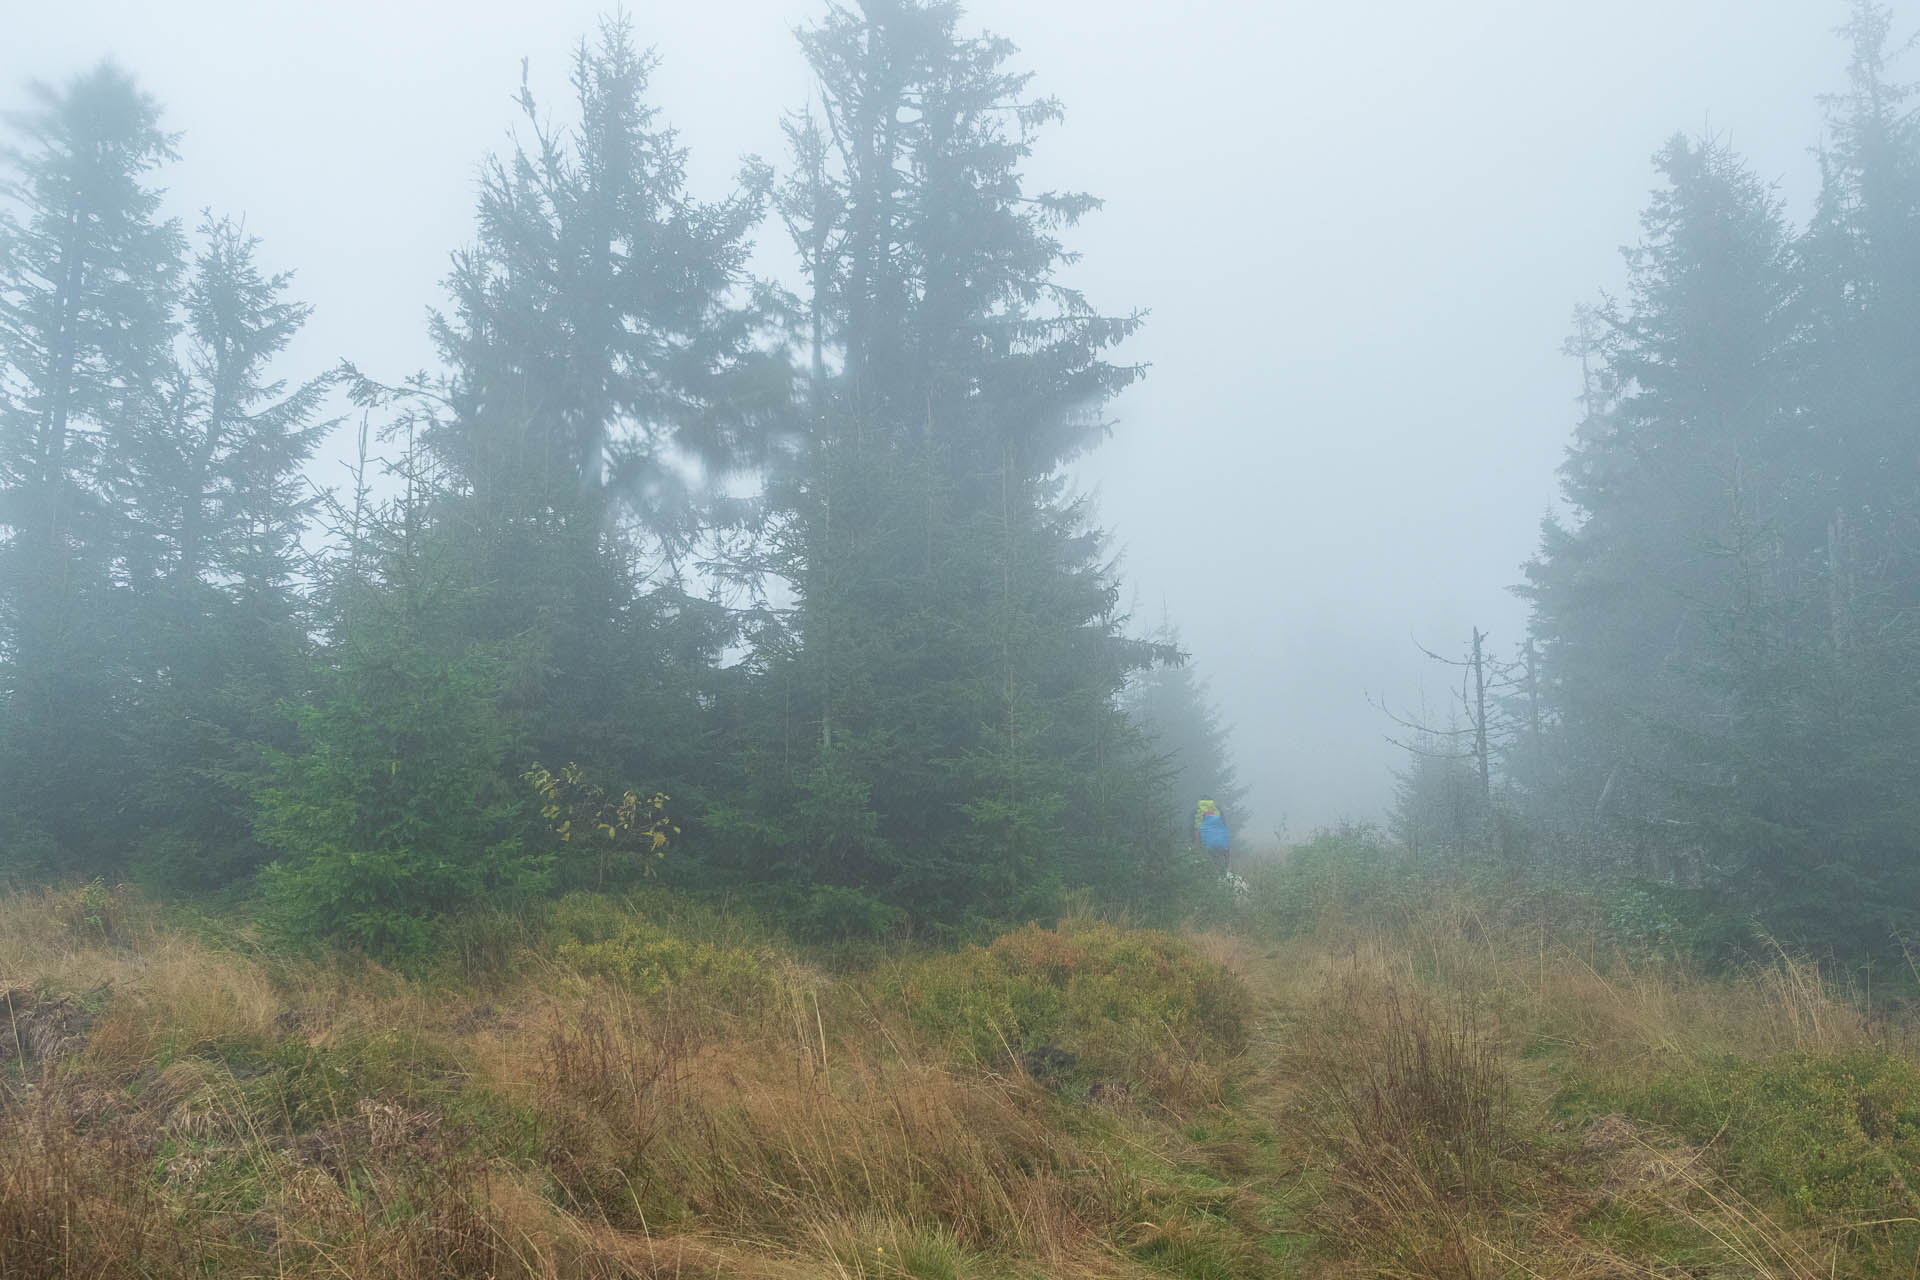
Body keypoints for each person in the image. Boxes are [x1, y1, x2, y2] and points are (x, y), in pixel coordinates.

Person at [1194, 797, 1230, 873]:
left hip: (1207, 847)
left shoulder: (1198, 813)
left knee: (1208, 867)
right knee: (1220, 867)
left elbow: (1197, 833)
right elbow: (1225, 831)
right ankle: (1224, 872)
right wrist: (1227, 862)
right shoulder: (1218, 812)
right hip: (1221, 847)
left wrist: (1197, 853)